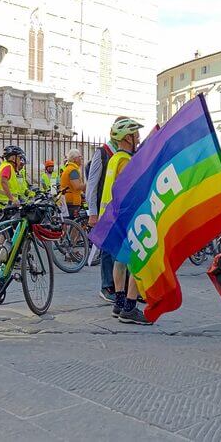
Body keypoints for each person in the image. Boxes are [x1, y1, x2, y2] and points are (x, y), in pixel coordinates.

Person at [100, 118, 151, 325]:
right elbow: (132, 190)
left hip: (113, 217)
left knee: (120, 261)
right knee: (137, 261)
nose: (138, 138)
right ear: (127, 137)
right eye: (136, 134)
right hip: (128, 216)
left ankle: (119, 303)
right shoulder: (126, 161)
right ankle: (130, 307)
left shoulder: (114, 158)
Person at [87, 117, 123, 303]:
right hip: (105, 209)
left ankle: (120, 287)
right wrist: (92, 211)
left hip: (121, 208)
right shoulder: (102, 153)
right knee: (108, 249)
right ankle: (107, 286)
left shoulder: (125, 153)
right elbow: (92, 184)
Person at [60, 149, 85, 218]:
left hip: (67, 199)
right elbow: (77, 186)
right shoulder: (73, 170)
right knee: (74, 224)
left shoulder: (68, 168)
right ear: (75, 159)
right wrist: (88, 185)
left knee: (69, 223)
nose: (81, 159)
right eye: (80, 157)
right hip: (72, 201)